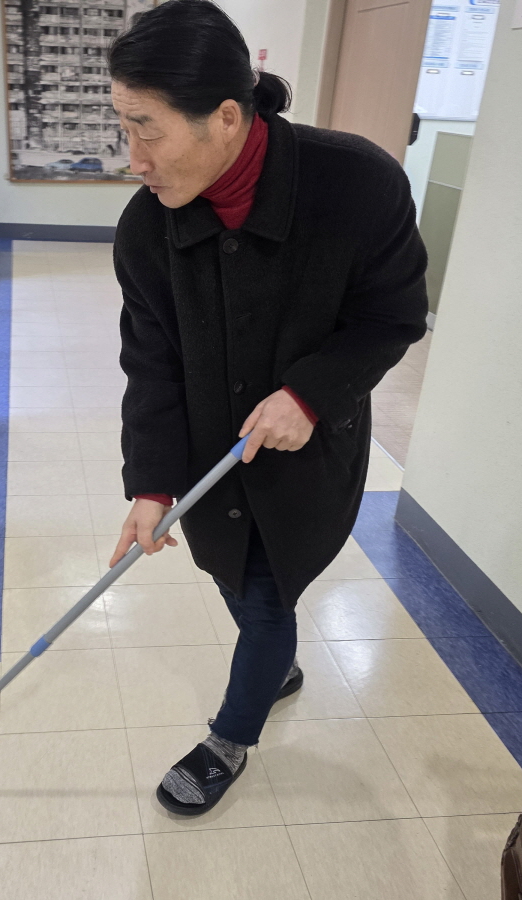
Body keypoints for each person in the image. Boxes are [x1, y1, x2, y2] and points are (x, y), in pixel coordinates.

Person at [106, 0, 429, 816]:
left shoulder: (356, 185)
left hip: (305, 451)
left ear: (225, 116)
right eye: (123, 127)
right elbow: (151, 367)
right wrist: (151, 484)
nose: (133, 158)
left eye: (147, 130)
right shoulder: (146, 231)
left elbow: (393, 316)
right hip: (209, 450)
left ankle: (231, 736)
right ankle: (275, 662)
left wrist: (310, 394)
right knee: (234, 576)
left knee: (265, 595)